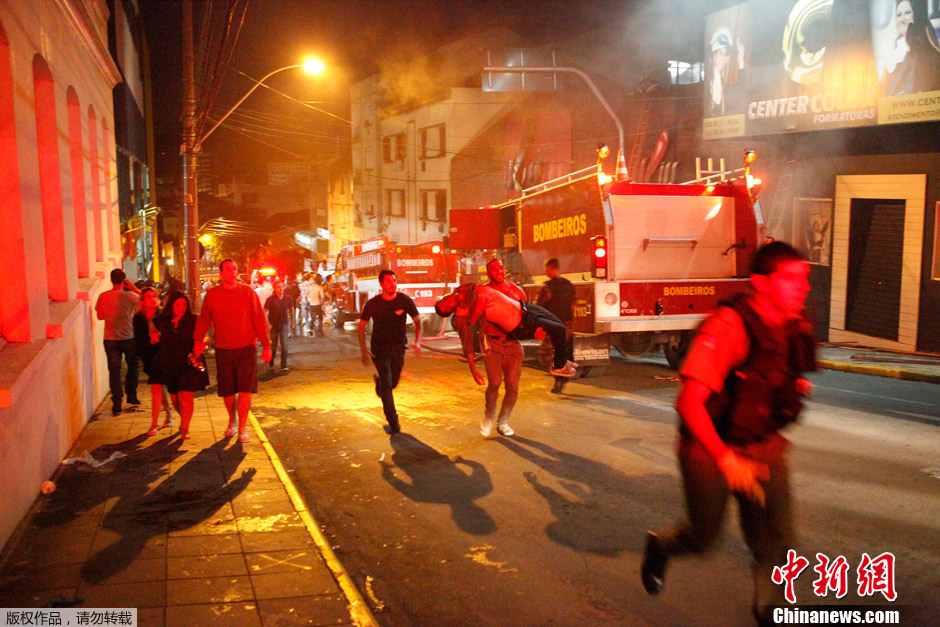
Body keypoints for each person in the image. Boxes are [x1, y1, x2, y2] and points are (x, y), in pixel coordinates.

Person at [641, 241, 816, 626]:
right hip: (710, 449)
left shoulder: (792, 322)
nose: (803, 287)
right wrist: (727, 460)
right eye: (791, 279)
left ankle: (771, 612)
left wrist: (789, 387)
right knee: (702, 538)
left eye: (804, 278)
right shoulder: (729, 325)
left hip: (763, 447)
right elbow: (689, 403)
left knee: (778, 543)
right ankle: (661, 546)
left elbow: (775, 370)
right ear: (761, 283)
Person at [193, 259, 272, 444]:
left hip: (246, 348)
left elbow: (259, 319)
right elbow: (204, 320)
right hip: (223, 349)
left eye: (235, 269)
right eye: (228, 270)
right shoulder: (212, 295)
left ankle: (242, 428)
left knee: (245, 390)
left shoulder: (248, 292)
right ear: (221, 274)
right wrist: (198, 341)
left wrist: (266, 345)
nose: (233, 272)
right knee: (228, 392)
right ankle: (232, 420)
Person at [436, 283, 576, 383]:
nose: (447, 301)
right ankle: (558, 367)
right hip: (520, 323)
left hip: (524, 308)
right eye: (446, 306)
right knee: (559, 329)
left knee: (559, 324)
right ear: (451, 311)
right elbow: (467, 345)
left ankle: (560, 360)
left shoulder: (465, 289)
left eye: (443, 300)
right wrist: (474, 370)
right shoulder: (462, 314)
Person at [358, 269, 421, 435]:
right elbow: (362, 326)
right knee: (387, 384)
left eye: (394, 281)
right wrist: (363, 350)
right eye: (389, 281)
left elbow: (418, 322)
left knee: (393, 383)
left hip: (398, 348)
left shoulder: (404, 300)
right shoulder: (372, 304)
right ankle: (393, 422)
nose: (393, 284)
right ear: (381, 284)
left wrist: (418, 341)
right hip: (379, 349)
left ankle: (379, 383)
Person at [477, 259, 525, 437]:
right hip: (493, 344)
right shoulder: (482, 293)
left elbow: (527, 317)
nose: (499, 271)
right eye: (494, 269)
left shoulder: (517, 292)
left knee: (512, 386)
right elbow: (475, 320)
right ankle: (489, 417)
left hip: (513, 345)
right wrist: (481, 343)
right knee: (495, 383)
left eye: (501, 268)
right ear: (488, 273)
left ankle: (503, 421)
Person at [153, 292, 209, 440]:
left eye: (184, 304)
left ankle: (185, 428)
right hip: (170, 362)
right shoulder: (162, 321)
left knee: (187, 395)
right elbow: (151, 333)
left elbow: (205, 336)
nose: (181, 308)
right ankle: (183, 419)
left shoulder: (193, 320)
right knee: (175, 397)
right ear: (171, 306)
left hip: (189, 361)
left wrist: (201, 344)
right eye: (178, 304)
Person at [95, 268, 142, 415]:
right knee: (133, 366)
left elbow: (100, 316)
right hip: (129, 337)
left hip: (110, 339)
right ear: (124, 280)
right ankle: (131, 395)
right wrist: (133, 287)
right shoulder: (130, 296)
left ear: (111, 280)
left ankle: (117, 402)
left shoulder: (103, 296)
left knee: (114, 371)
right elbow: (147, 300)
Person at [133, 287, 174, 435]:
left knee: (166, 388)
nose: (152, 299)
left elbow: (170, 334)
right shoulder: (138, 318)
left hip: (164, 353)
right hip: (149, 355)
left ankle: (170, 415)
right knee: (157, 387)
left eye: (154, 296)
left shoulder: (163, 315)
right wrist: (148, 345)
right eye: (148, 297)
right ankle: (156, 422)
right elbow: (138, 340)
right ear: (143, 301)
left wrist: (159, 339)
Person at [882, 0, 940, 96]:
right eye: (899, 15)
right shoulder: (893, 56)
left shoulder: (927, 55)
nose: (902, 19)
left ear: (915, 15)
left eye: (907, 13)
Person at [537, 257, 576, 393]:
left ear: (551, 268)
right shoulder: (568, 285)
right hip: (566, 325)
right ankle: (562, 377)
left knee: (547, 355)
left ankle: (560, 379)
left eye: (547, 269)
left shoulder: (547, 287)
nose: (546, 272)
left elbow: (540, 307)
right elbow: (572, 305)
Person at [264, 279, 294, 371]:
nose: (281, 289)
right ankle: (271, 360)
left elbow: (291, 309)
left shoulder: (288, 298)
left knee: (284, 344)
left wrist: (292, 322)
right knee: (273, 345)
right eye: (278, 287)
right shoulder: (270, 299)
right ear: (275, 288)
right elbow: (264, 311)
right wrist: (267, 324)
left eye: (282, 287)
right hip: (273, 325)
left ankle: (283, 364)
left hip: (284, 324)